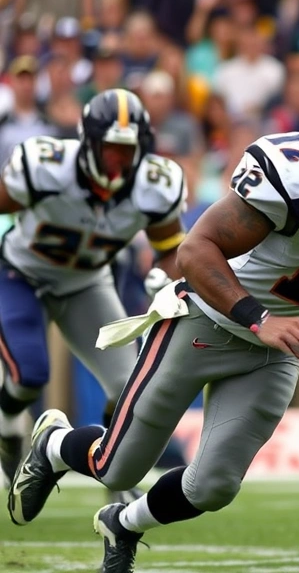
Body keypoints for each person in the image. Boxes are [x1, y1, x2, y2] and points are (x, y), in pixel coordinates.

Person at [7, 45, 299, 573]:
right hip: (210, 321)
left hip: (280, 345)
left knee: (213, 486)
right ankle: (54, 444)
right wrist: (261, 319)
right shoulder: (298, 172)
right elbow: (195, 251)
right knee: (117, 465)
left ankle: (122, 524)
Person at [0, 89, 186, 506]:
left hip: (86, 283)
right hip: (20, 274)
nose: (119, 160)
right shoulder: (47, 166)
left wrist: (165, 274)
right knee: (27, 376)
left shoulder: (155, 185)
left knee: (129, 386)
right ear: (89, 143)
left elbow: (172, 246)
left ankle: (116, 475)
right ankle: (9, 425)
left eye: (128, 150)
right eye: (111, 149)